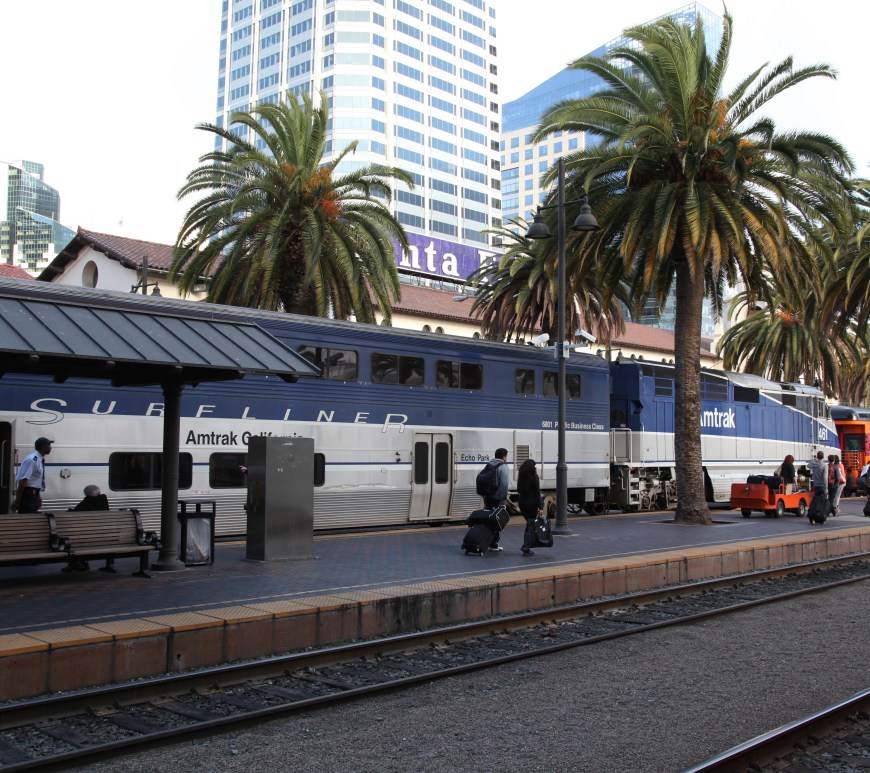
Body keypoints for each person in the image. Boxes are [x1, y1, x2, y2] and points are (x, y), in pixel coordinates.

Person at [12, 438, 53, 513]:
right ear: (42, 447)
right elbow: (23, 480)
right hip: (28, 494)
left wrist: (38, 495)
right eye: (49, 445)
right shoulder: (32, 460)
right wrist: (17, 500)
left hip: (33, 493)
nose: (51, 447)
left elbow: (34, 480)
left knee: (33, 515)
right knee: (27, 515)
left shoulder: (39, 459)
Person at [481, 448, 510, 552]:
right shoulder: (503, 466)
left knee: (489, 520)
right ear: (504, 457)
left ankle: (488, 541)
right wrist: (503, 500)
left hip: (488, 497)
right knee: (497, 521)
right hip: (497, 498)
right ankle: (493, 544)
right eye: (506, 456)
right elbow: (504, 485)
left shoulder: (489, 464)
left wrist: (484, 498)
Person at [516, 459, 543, 556]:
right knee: (530, 525)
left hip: (522, 502)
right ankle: (526, 546)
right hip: (532, 503)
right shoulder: (534, 477)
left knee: (529, 524)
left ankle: (526, 545)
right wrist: (541, 507)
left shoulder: (521, 477)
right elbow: (537, 493)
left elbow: (518, 490)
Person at [807, 451, 828, 523]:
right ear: (823, 457)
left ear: (817, 456)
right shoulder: (824, 465)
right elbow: (825, 477)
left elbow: (808, 465)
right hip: (822, 486)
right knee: (822, 502)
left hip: (816, 485)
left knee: (815, 501)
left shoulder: (814, 464)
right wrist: (826, 488)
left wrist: (814, 459)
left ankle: (814, 515)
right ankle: (821, 516)